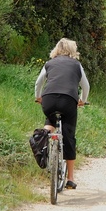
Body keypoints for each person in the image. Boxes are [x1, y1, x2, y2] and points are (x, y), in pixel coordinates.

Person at [35, 38, 89, 189]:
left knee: (50, 119)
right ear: (73, 50)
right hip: (69, 101)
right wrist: (82, 100)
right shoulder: (76, 64)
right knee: (69, 136)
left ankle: (42, 140)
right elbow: (85, 86)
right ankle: (70, 178)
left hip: (49, 99)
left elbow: (39, 82)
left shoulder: (49, 63)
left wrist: (38, 97)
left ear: (56, 50)